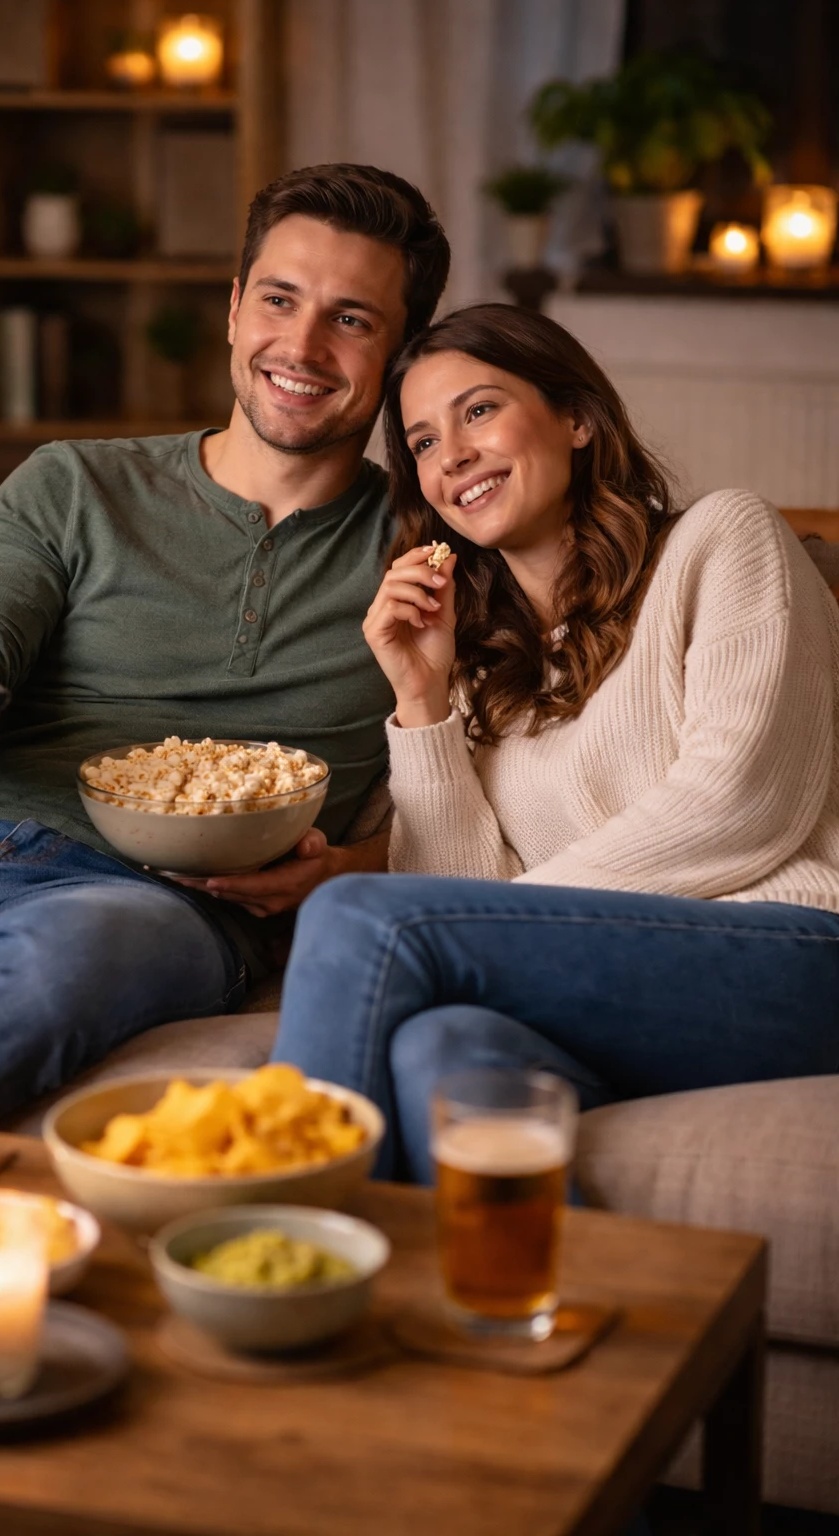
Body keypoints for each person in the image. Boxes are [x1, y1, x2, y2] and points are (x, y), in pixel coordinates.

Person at [0, 163, 451, 1126]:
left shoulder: (432, 549)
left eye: (353, 319)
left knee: (54, 977)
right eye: (280, 299)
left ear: (400, 356)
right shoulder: (76, 482)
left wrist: (346, 867)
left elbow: (511, 799)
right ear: (235, 309)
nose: (304, 345)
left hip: (149, 907)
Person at [271, 302, 839, 1182]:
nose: (450, 454)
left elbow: (741, 806)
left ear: (576, 419)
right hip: (623, 987)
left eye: (479, 409)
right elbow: (464, 900)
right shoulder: (482, 670)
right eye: (421, 442)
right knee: (443, 1051)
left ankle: (277, 1252)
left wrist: (499, 917)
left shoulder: (723, 539)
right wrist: (420, 699)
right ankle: (527, 1314)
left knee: (355, 917)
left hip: (796, 955)